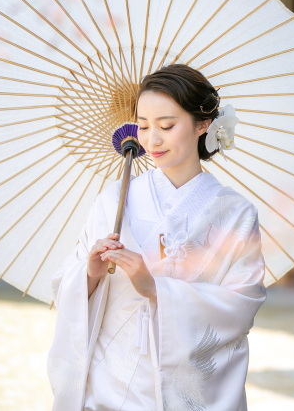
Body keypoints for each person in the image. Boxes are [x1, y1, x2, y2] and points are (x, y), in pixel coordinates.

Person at [47, 64, 267, 411]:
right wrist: (90, 272)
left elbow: (241, 305)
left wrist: (156, 289)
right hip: (109, 374)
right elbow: (64, 287)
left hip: (183, 384)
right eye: (144, 126)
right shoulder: (115, 198)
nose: (153, 139)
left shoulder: (235, 212)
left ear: (203, 124)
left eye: (166, 125)